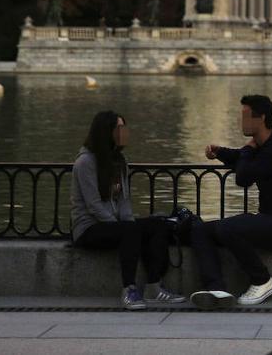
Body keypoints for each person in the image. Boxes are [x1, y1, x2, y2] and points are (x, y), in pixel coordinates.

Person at [190, 95, 272, 309]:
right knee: (200, 230)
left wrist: (246, 150)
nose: (240, 121)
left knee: (228, 228)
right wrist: (219, 152)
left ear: (261, 118)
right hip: (268, 221)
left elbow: (243, 177)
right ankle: (216, 289)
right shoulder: (264, 146)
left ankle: (262, 281)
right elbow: (243, 159)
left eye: (245, 116)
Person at [70, 111, 186, 310]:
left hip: (115, 225)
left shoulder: (120, 161)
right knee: (130, 230)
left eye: (124, 128)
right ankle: (129, 289)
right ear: (107, 132)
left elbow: (124, 200)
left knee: (157, 225)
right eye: (119, 128)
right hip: (89, 228)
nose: (124, 133)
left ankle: (154, 286)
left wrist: (129, 223)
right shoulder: (85, 162)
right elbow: (93, 205)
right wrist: (125, 228)